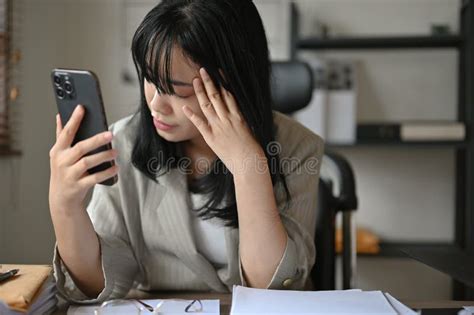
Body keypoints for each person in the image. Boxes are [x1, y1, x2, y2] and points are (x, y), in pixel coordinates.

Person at [48, 0, 324, 304]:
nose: (155, 104)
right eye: (150, 80)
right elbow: (98, 285)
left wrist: (248, 168)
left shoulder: (298, 147)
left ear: (231, 81)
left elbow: (272, 289)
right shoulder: (123, 141)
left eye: (177, 91)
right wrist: (65, 208)